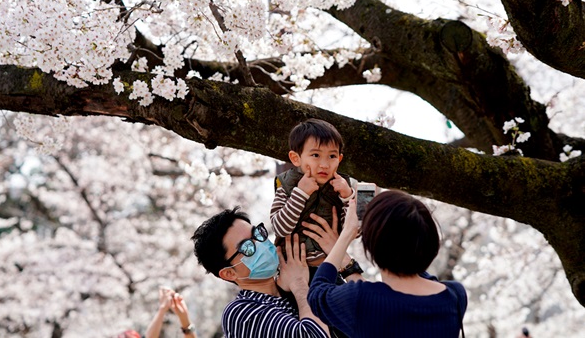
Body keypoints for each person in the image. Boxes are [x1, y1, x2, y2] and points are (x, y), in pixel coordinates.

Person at [307, 190, 468, 338]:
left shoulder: (360, 299)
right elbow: (397, 298)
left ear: (373, 244)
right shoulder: (455, 296)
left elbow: (316, 294)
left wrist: (346, 235)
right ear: (430, 240)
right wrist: (347, 263)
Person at [191, 207, 330, 337]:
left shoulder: (292, 287)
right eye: (247, 247)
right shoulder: (241, 313)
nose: (260, 244)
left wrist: (345, 263)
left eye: (257, 233)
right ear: (229, 273)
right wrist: (299, 285)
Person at [270, 118, 355, 272]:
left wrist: (348, 197)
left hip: (330, 268)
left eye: (332, 156)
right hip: (292, 269)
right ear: (296, 158)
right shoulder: (286, 185)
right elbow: (280, 228)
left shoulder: (343, 186)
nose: (324, 164)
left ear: (339, 159)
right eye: (316, 155)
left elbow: (356, 232)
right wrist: (300, 193)